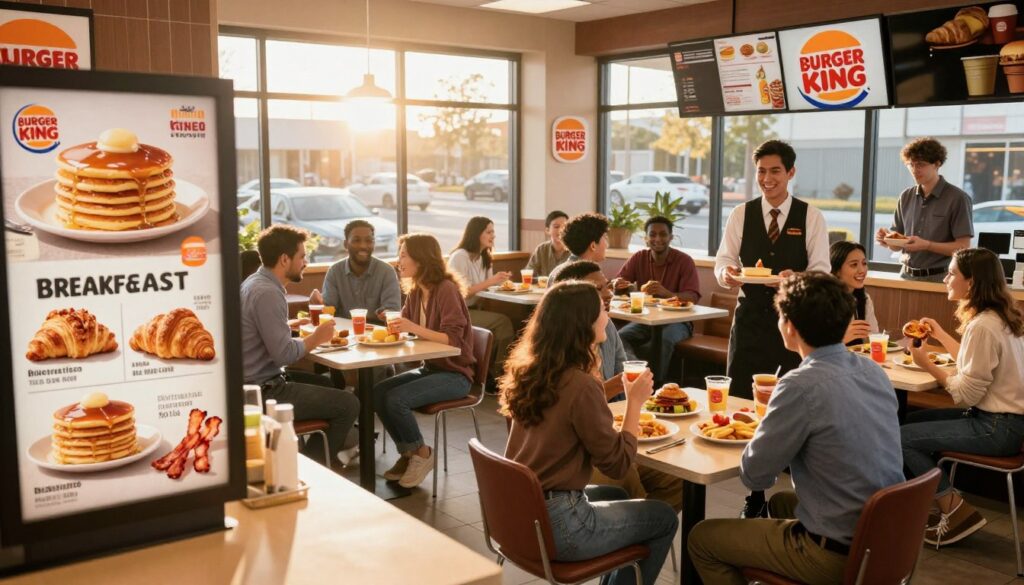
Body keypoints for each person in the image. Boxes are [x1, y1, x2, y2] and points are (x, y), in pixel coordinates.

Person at [688, 272, 904, 585]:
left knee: (703, 539)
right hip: (886, 542)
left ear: (788, 326)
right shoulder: (873, 371)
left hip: (836, 557)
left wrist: (769, 431)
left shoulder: (799, 385)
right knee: (780, 503)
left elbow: (756, 475)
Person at [501, 281, 678, 585]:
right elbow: (619, 464)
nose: (607, 317)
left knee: (617, 494)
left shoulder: (532, 370)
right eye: (601, 310)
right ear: (582, 324)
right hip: (561, 524)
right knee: (662, 518)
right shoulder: (581, 384)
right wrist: (634, 402)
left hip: (521, 512)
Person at [714, 139, 830, 518]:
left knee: (791, 404)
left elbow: (822, 270)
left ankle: (799, 490)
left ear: (791, 173)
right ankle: (755, 492)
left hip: (794, 323)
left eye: (775, 171)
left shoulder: (810, 216)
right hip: (749, 320)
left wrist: (795, 278)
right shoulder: (741, 214)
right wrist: (728, 275)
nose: (767, 178)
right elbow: (724, 262)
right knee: (745, 401)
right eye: (761, 171)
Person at [900, 248, 1024, 546]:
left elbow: (966, 395)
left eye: (952, 273)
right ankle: (929, 506)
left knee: (900, 438)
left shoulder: (982, 326)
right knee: (909, 421)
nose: (945, 278)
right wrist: (941, 335)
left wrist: (925, 363)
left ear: (971, 283)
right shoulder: (999, 317)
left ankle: (953, 508)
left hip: (996, 427)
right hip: (1006, 422)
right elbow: (972, 366)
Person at [553, 260, 684, 513]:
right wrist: (634, 400)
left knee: (677, 479)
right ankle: (639, 531)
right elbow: (617, 463)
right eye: (597, 289)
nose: (609, 294)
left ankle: (637, 534)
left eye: (607, 286)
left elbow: (617, 377)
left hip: (586, 448)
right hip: (570, 480)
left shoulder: (602, 331)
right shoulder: (573, 374)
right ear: (577, 308)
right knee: (640, 491)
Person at [240, 225, 359, 468]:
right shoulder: (268, 293)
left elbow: (261, 331)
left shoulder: (255, 282)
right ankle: (311, 466)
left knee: (327, 383)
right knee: (349, 404)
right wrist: (318, 335)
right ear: (285, 259)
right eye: (302, 256)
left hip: (253, 383)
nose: (305, 262)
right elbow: (284, 354)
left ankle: (327, 451)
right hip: (264, 392)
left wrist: (290, 324)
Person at [374, 233, 477, 489]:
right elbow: (406, 329)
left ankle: (421, 454)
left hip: (456, 376)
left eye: (404, 255)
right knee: (377, 392)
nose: (399, 261)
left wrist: (410, 326)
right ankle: (408, 454)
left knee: (396, 399)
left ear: (422, 258)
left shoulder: (446, 290)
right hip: (431, 369)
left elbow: (452, 341)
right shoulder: (417, 292)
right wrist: (392, 323)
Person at [611, 216, 701, 382]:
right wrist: (618, 284)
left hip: (679, 322)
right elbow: (618, 283)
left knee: (663, 341)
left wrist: (666, 292)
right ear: (646, 238)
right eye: (652, 235)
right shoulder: (639, 257)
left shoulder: (684, 261)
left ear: (671, 237)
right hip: (646, 320)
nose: (657, 239)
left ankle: (655, 387)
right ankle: (638, 378)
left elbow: (692, 297)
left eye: (663, 234)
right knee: (619, 336)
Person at [876, 137, 974, 283]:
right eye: (911, 165)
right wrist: (888, 240)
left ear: (937, 164)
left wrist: (927, 245)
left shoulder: (957, 198)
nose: (915, 170)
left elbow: (963, 247)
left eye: (921, 164)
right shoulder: (906, 196)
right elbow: (898, 246)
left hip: (941, 278)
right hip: (906, 276)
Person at [448, 216, 515, 383]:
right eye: (489, 232)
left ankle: (491, 373)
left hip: (475, 310)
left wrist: (502, 282)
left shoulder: (484, 257)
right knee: (503, 323)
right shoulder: (459, 257)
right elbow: (459, 293)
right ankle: (497, 375)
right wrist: (491, 281)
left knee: (504, 322)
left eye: (493, 232)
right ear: (476, 234)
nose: (493, 236)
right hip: (457, 314)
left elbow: (487, 288)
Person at [321, 219, 401, 322]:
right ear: (346, 244)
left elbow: (392, 309)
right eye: (356, 240)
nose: (363, 246)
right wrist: (320, 304)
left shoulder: (386, 271)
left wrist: (387, 313)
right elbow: (329, 308)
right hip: (343, 334)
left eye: (368, 241)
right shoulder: (335, 271)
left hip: (377, 334)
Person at [829, 241, 879, 345]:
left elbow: (873, 338)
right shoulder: (822, 301)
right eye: (854, 265)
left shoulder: (864, 299)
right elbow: (813, 350)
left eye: (864, 263)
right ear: (837, 270)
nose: (862, 270)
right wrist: (842, 339)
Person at [547, 212, 610, 282]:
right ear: (593, 246)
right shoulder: (592, 275)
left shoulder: (556, 271)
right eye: (605, 237)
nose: (607, 245)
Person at [526, 210, 570, 276]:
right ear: (547, 230)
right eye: (556, 227)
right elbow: (528, 273)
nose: (561, 230)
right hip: (544, 286)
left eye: (564, 226)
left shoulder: (574, 249)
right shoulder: (542, 249)